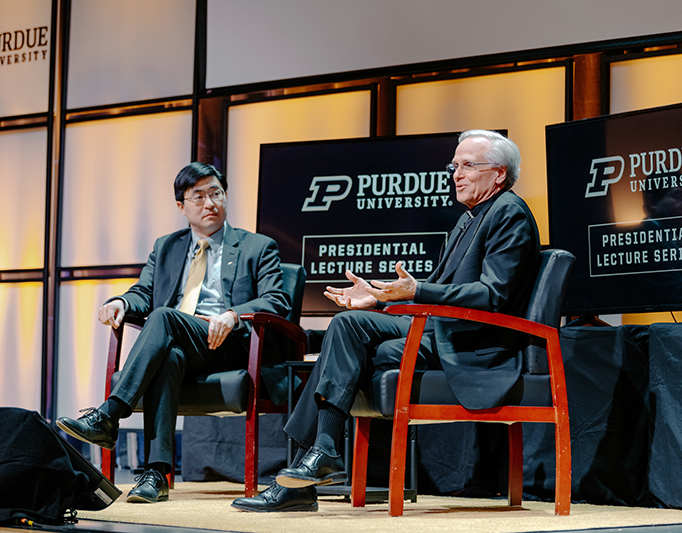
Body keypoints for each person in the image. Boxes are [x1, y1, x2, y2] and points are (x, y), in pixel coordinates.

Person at [231, 129, 540, 513]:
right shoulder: (469, 219)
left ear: (497, 174)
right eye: (453, 165)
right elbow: (432, 294)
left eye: (466, 165)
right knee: (349, 325)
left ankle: (302, 471)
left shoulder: (509, 211)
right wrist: (377, 297)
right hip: (438, 329)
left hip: (473, 341)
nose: (456, 174)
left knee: (352, 344)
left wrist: (417, 291)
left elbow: (493, 295)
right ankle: (320, 453)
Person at [57, 162, 291, 504]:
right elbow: (144, 293)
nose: (210, 203)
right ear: (181, 206)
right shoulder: (166, 246)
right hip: (181, 344)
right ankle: (156, 474)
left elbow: (276, 299)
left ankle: (108, 415)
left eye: (216, 193)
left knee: (165, 318)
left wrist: (232, 314)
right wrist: (122, 301)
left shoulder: (258, 246)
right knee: (169, 356)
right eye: (199, 197)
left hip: (230, 346)